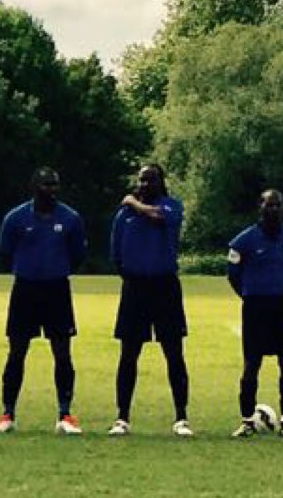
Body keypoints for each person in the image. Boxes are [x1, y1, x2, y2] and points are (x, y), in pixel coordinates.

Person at [0, 167, 87, 435]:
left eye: (55, 185)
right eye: (45, 185)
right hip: (25, 289)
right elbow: (5, 254)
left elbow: (77, 255)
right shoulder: (16, 218)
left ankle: (65, 414)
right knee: (17, 352)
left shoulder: (70, 218)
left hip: (57, 289)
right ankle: (7, 413)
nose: (51, 190)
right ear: (34, 187)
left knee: (62, 353)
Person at [107, 164, 191, 437]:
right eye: (142, 181)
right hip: (135, 287)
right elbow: (116, 255)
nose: (145, 185)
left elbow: (156, 216)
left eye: (151, 180)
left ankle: (181, 417)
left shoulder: (172, 207)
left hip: (165, 286)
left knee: (174, 353)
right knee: (128, 354)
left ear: (161, 183)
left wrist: (133, 202)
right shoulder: (123, 217)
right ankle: (122, 417)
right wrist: (132, 274)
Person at [228, 189, 283, 438]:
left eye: (277, 205)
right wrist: (250, 293)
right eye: (268, 205)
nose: (273, 209)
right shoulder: (243, 241)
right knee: (251, 364)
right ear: (259, 207)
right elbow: (233, 274)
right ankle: (247, 421)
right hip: (255, 308)